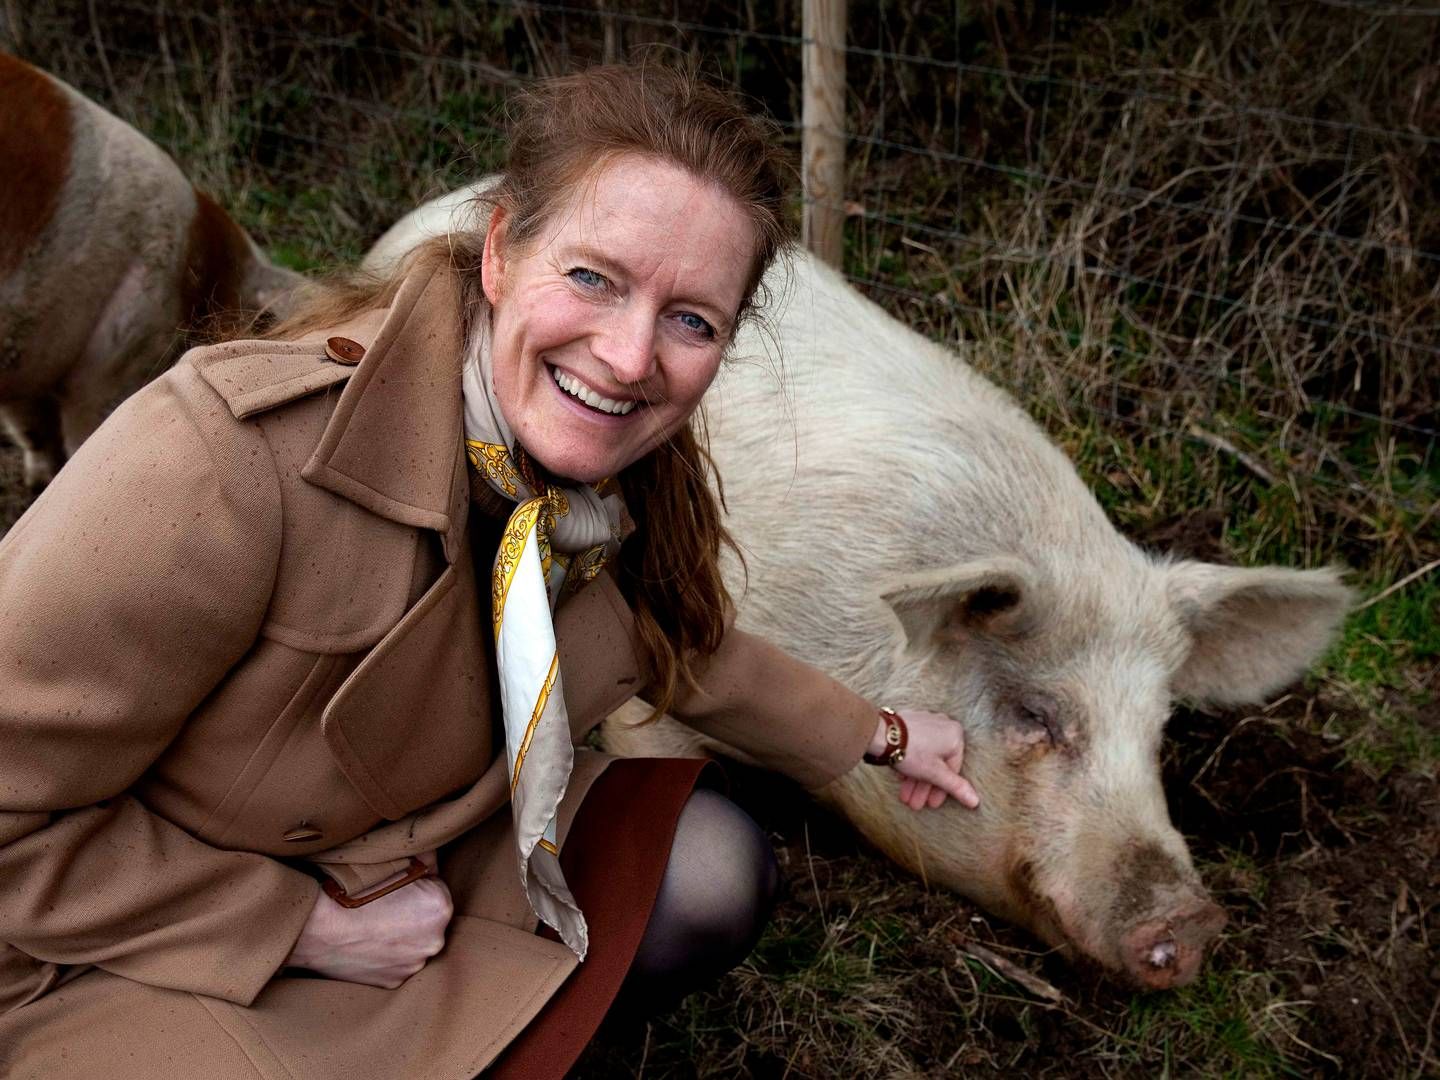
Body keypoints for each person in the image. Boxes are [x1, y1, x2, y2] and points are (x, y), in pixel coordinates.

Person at [0, 62, 978, 1079]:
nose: (631, 355)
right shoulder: (224, 458)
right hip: (126, 934)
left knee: (709, 870)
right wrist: (300, 927)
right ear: (502, 252)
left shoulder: (609, 477)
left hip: (401, 853)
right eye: (595, 278)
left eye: (692, 319)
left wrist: (882, 733)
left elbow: (680, 648)